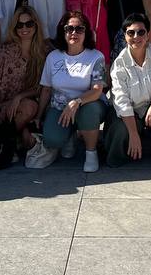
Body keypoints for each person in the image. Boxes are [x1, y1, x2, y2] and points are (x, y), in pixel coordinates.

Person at [36, 11, 107, 172]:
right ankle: (70, 136)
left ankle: (91, 152)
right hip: (60, 107)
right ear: (63, 32)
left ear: (86, 32)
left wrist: (76, 102)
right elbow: (46, 89)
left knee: (88, 112)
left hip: (88, 105)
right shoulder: (53, 57)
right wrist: (39, 116)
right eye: (69, 29)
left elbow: (97, 91)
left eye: (79, 29)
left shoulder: (96, 57)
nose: (74, 33)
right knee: (52, 139)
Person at [102, 12, 151, 167]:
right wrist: (133, 134)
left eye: (141, 32)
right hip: (131, 113)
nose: (136, 36)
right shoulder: (119, 64)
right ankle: (118, 157)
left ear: (148, 35)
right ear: (125, 36)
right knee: (119, 126)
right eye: (131, 33)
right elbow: (122, 102)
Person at [0, 6, 46, 152]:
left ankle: (9, 142)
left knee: (29, 140)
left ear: (36, 25)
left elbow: (43, 87)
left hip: (27, 108)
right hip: (2, 109)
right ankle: (0, 144)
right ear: (14, 28)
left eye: (29, 24)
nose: (24, 28)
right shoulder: (5, 51)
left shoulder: (43, 52)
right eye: (19, 25)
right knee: (29, 107)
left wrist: (19, 97)